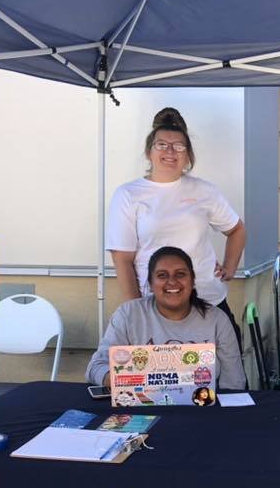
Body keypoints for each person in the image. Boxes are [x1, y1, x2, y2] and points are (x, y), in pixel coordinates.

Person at [106, 107, 246, 344]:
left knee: (224, 377)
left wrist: (230, 267)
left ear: (188, 155)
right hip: (156, 308)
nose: (170, 151)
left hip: (208, 302)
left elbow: (237, 230)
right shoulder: (128, 195)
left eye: (179, 146)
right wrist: (136, 311)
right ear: (149, 152)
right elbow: (123, 259)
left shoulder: (205, 191)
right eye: (162, 144)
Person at [86, 246, 247, 390]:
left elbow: (234, 382)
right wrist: (122, 379)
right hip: (142, 413)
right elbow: (95, 367)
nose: (172, 282)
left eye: (180, 274)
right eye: (162, 275)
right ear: (150, 283)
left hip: (203, 414)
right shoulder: (128, 315)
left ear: (192, 281)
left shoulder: (217, 320)